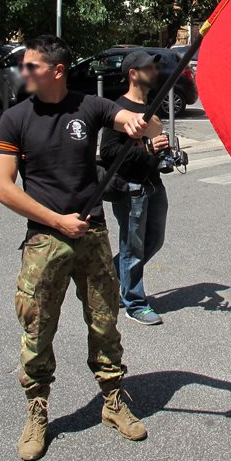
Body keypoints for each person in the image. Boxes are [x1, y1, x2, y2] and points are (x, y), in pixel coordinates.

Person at [0, 35, 150, 461]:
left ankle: (113, 401)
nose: (23, 73)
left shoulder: (89, 106)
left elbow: (127, 118)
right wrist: (56, 219)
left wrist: (137, 124)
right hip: (46, 238)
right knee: (38, 327)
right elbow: (2, 188)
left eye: (31, 67)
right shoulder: (15, 118)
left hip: (93, 235)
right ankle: (37, 410)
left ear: (56, 71)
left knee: (104, 322)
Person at [100, 51, 170, 327]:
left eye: (154, 66)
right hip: (131, 188)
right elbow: (108, 151)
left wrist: (165, 153)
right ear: (133, 73)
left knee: (153, 240)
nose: (154, 71)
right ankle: (134, 303)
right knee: (133, 246)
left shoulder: (151, 105)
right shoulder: (119, 108)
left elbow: (151, 144)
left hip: (154, 184)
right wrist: (149, 150)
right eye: (148, 67)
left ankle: (110, 277)